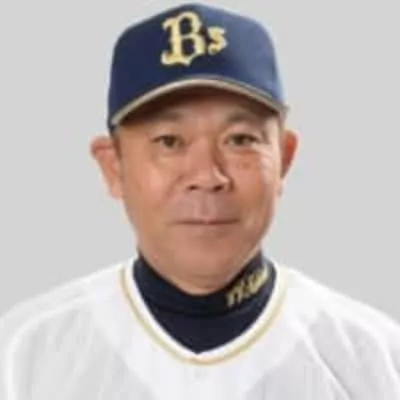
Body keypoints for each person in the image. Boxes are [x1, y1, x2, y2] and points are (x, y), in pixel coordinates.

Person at [1, 3, 400, 399]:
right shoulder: (23, 353)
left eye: (240, 139)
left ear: (284, 158)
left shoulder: (376, 359)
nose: (208, 176)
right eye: (169, 141)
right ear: (113, 167)